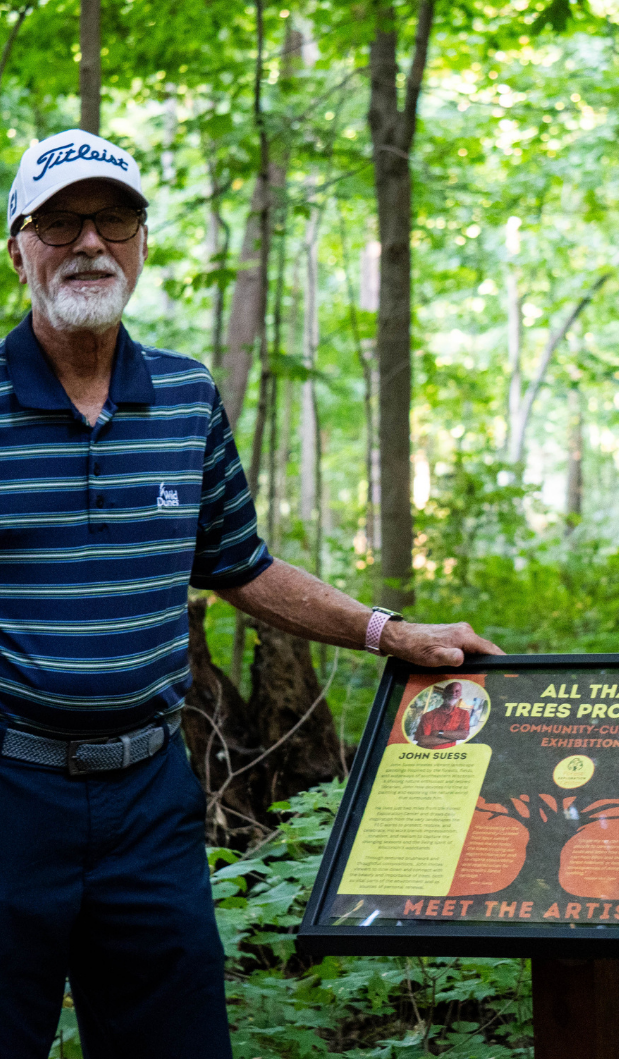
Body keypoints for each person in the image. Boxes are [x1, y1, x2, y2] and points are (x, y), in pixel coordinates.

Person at [0, 129, 502, 1059]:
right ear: (18, 243)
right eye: (60, 220)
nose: (90, 242)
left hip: (148, 795)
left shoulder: (187, 398)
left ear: (143, 242)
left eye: (114, 218)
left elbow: (241, 565)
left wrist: (390, 632)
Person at [413, 681, 472, 749]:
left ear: (460, 694)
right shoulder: (428, 715)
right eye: (450, 691)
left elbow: (464, 735)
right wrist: (453, 738)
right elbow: (422, 740)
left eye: (457, 691)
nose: (453, 693)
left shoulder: (463, 713)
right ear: (443, 694)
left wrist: (439, 733)